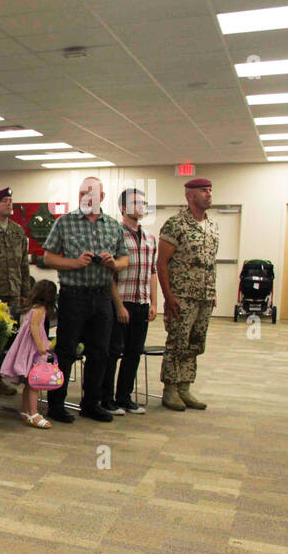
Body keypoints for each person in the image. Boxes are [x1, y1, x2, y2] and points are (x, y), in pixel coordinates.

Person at [39, 176, 128, 424]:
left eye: (90, 193)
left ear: (101, 197)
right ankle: (56, 405)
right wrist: (74, 263)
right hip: (72, 296)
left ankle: (91, 404)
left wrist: (113, 263)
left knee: (100, 352)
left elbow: (125, 260)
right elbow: (48, 258)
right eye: (81, 193)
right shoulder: (64, 223)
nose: (85, 198)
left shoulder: (112, 226)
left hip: (101, 296)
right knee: (65, 352)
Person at [157, 178, 219, 412]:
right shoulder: (176, 224)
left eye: (210, 190)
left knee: (195, 343)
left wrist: (212, 293)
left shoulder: (212, 226)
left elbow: (211, 263)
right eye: (204, 191)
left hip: (205, 296)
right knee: (177, 343)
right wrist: (168, 296)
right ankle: (170, 390)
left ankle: (185, 387)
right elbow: (161, 264)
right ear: (190, 196)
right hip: (181, 296)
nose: (209, 194)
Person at [103, 188, 157, 414]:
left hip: (141, 303)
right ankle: (106, 400)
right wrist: (119, 306)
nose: (141, 206)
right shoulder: (114, 235)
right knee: (113, 352)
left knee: (134, 352)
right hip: (121, 302)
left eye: (144, 203)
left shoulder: (149, 239)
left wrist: (154, 303)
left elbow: (152, 272)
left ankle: (124, 396)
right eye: (136, 202)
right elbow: (109, 275)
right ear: (123, 208)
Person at [0, 187, 31, 396]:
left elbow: (23, 265)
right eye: (5, 201)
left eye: (11, 200)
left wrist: (26, 293)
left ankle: (1, 378)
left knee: (9, 338)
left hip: (13, 292)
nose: (9, 204)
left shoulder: (17, 231)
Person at [0, 280, 58, 429]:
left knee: (30, 382)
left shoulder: (31, 308)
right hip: (34, 350)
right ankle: (33, 412)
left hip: (28, 348)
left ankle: (26, 410)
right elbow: (34, 327)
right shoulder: (39, 310)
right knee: (35, 383)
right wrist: (40, 345)